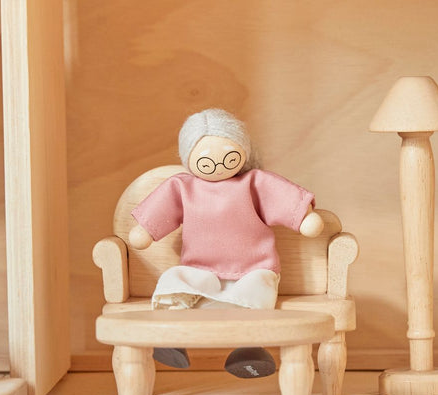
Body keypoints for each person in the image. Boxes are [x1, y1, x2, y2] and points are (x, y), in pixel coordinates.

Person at [129, 109, 323, 378]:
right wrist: (146, 230)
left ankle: (249, 350)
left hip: (253, 268)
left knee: (258, 289)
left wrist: (303, 218)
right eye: (206, 157)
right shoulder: (182, 187)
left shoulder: (254, 182)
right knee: (174, 278)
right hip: (199, 268)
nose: (218, 163)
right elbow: (158, 213)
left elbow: (284, 200)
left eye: (227, 154)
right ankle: (171, 338)